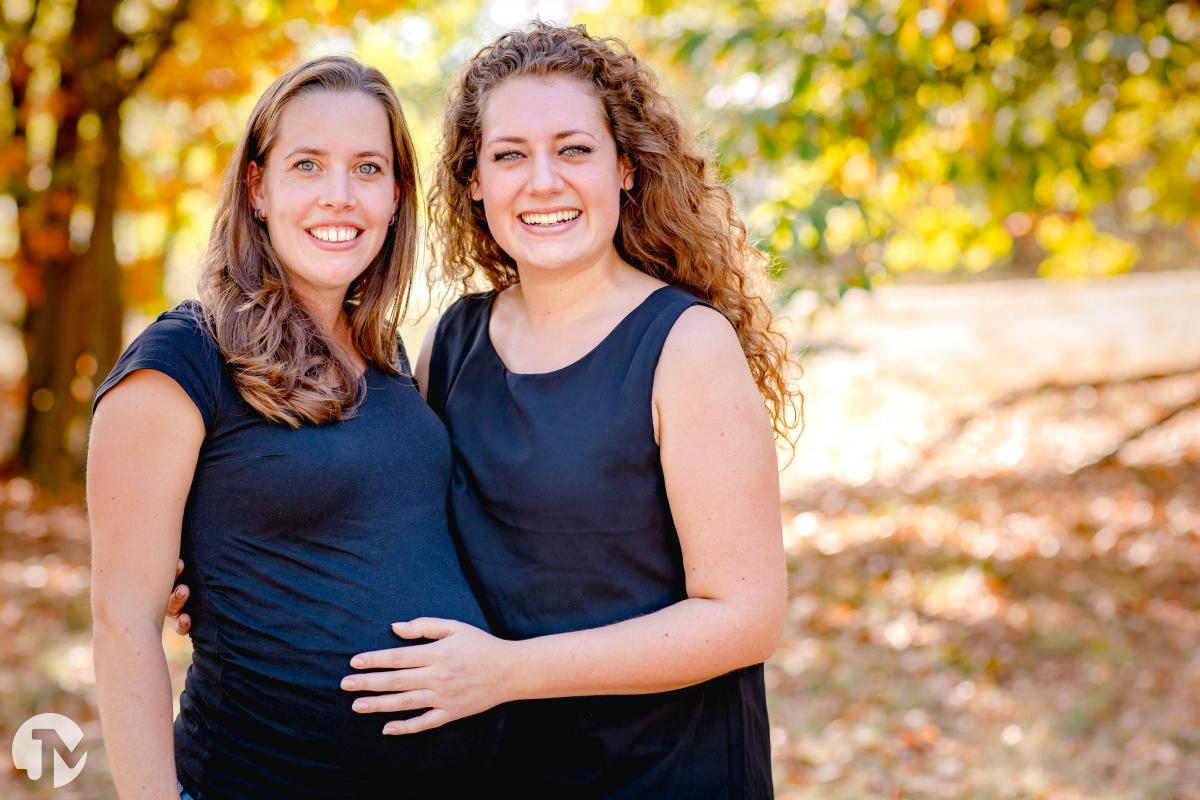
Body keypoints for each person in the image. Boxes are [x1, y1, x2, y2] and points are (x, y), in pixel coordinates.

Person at [339, 23, 798, 798]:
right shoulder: (451, 342)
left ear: (625, 167)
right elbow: (393, 527)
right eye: (510, 154)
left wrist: (509, 672)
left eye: (574, 149)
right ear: (475, 181)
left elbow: (745, 616)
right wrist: (235, 571)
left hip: (666, 771)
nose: (542, 181)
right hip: (499, 768)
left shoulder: (686, 346)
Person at [88, 56, 501, 800]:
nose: (338, 197)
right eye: (307, 165)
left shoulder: (385, 352)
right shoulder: (183, 358)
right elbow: (123, 624)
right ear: (258, 186)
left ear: (396, 194)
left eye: (367, 168)